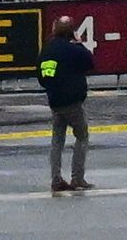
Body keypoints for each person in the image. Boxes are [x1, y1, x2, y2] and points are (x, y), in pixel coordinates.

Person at [37, 16, 95, 193]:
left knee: (57, 140)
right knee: (82, 136)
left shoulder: (47, 50)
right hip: (73, 101)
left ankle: (56, 179)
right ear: (72, 32)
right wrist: (78, 43)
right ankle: (77, 177)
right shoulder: (74, 50)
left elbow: (42, 77)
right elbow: (90, 62)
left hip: (55, 101)